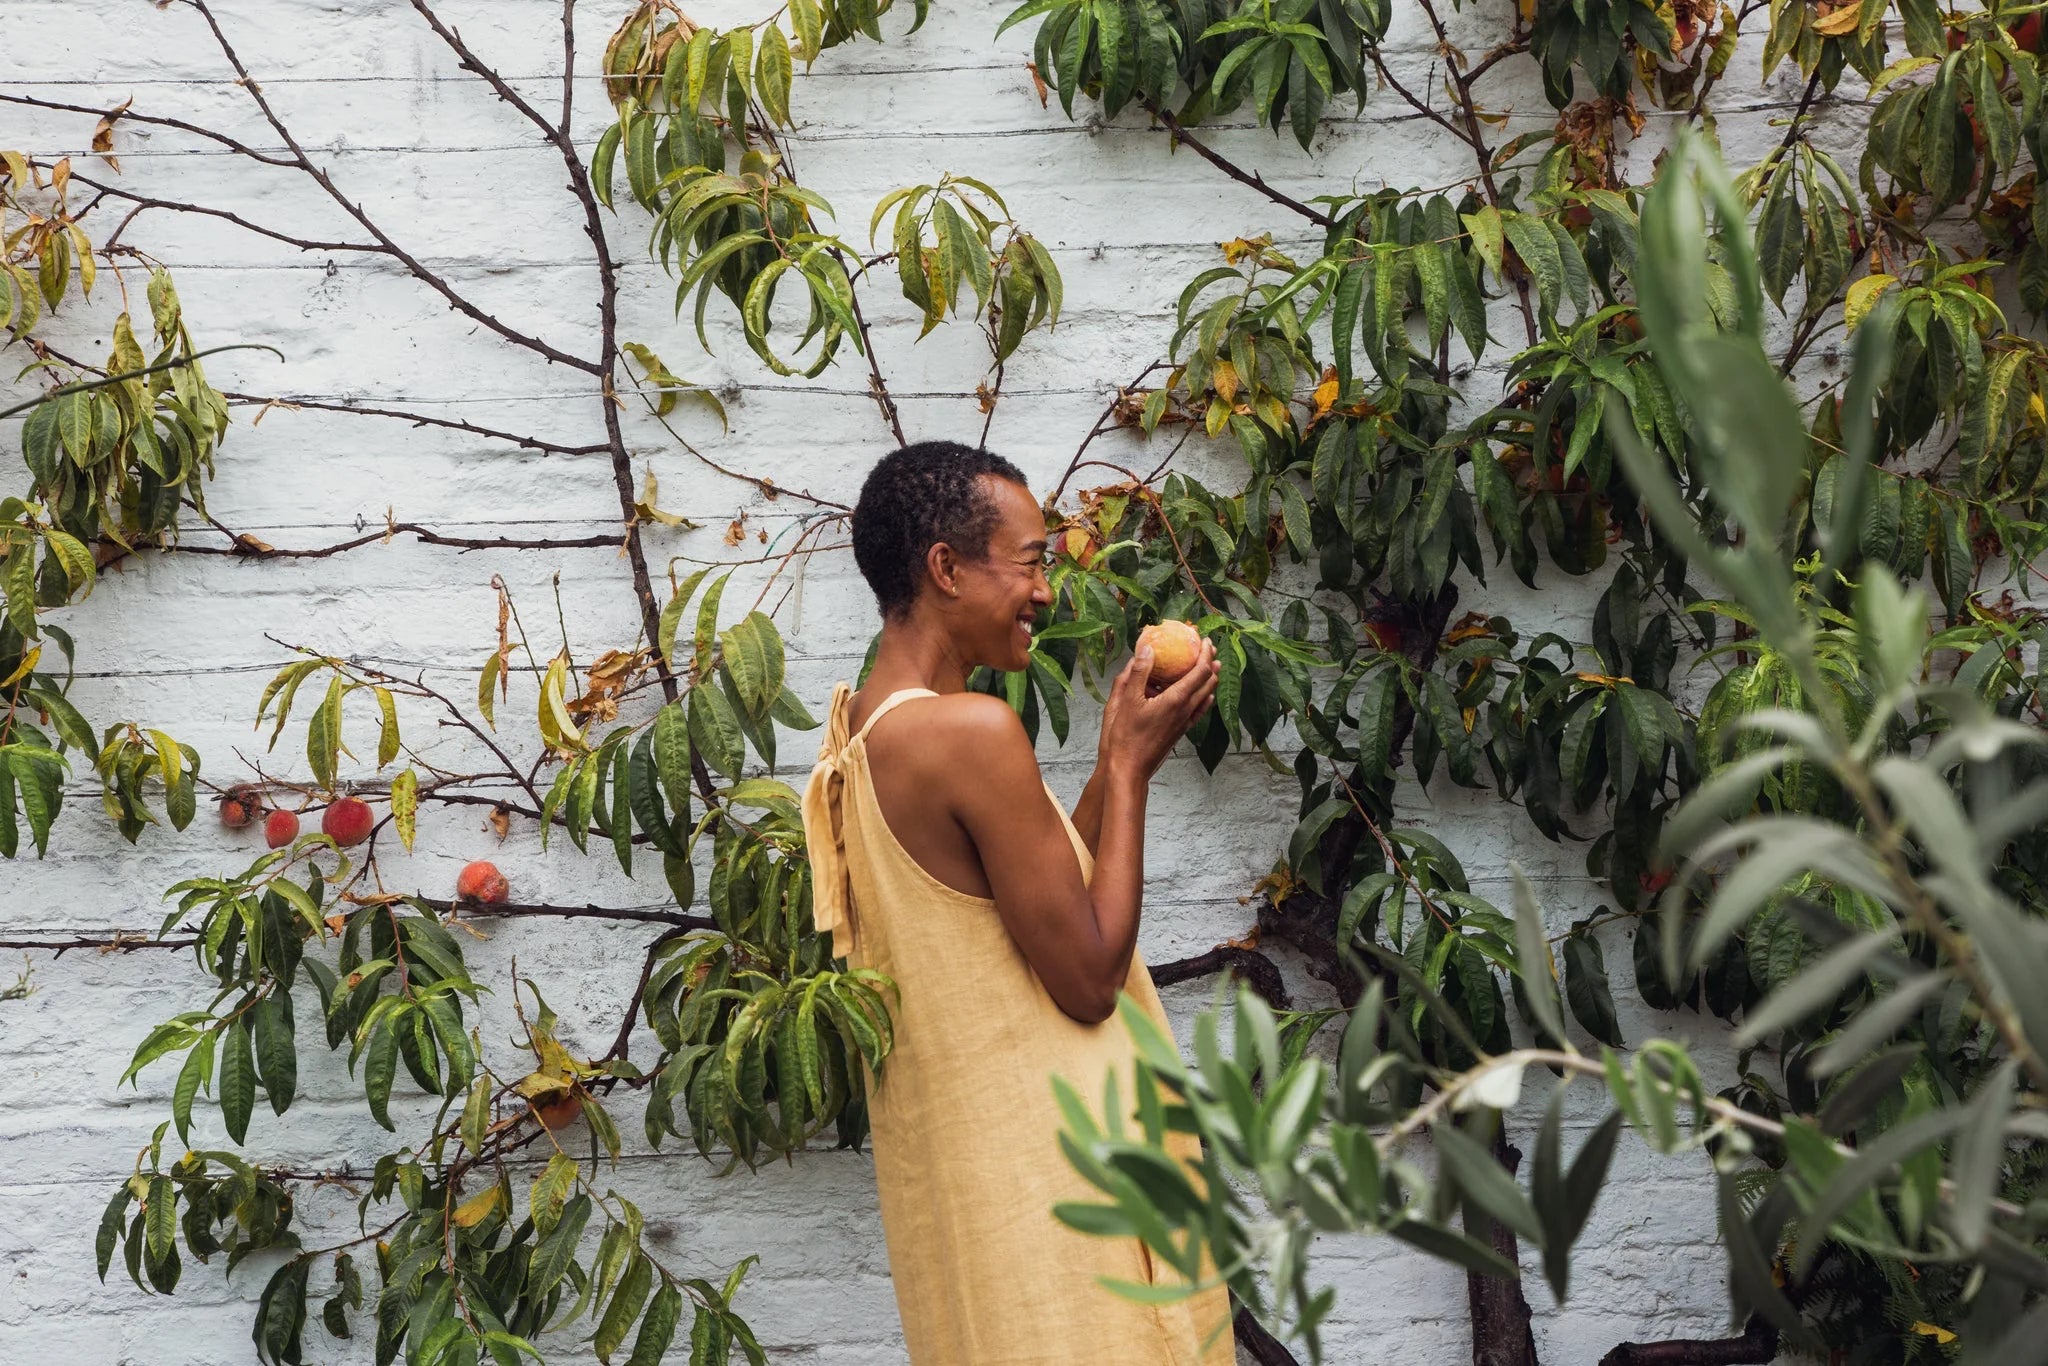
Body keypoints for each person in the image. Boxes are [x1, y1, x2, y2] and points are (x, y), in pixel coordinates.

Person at [800, 440, 1237, 1365]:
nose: (1046, 592)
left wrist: (1130, 760)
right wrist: (1119, 766)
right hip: (1061, 1189)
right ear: (946, 569)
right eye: (1031, 562)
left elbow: (1039, 897)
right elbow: (1086, 976)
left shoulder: (867, 731)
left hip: (987, 1203)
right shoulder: (971, 731)